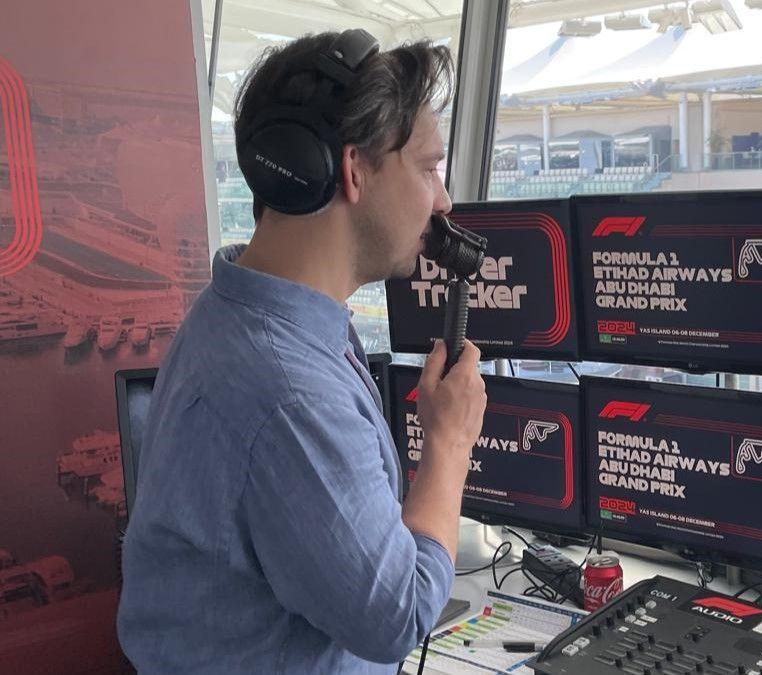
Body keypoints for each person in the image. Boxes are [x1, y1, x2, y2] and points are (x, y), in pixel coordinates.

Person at [117, 31, 486, 674]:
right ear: (353, 171)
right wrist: (448, 441)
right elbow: (396, 614)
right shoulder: (286, 388)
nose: (444, 200)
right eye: (428, 168)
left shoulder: (240, 314)